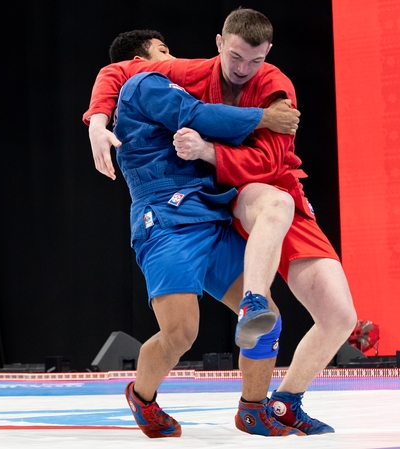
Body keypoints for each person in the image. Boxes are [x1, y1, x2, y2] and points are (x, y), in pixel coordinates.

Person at [84, 10, 357, 436]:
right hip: (167, 219)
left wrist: (219, 144)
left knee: (268, 318)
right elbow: (196, 114)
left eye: (255, 60)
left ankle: (255, 407)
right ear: (141, 61)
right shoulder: (144, 83)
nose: (172, 60)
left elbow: (253, 148)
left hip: (212, 210)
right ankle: (142, 396)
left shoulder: (264, 82)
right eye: (163, 53)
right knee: (181, 333)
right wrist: (264, 118)